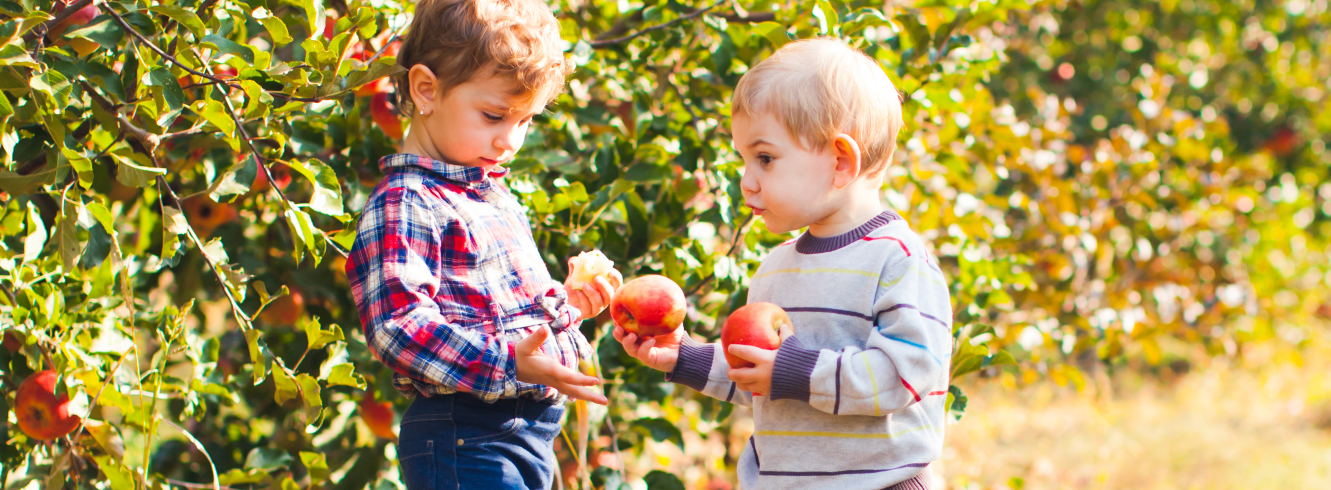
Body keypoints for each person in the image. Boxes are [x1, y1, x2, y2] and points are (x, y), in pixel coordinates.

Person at [619, 38, 954, 490]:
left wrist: (792, 370)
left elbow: (904, 375)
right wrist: (685, 357)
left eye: (764, 158)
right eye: (743, 159)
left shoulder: (896, 259)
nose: (745, 181)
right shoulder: (776, 268)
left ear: (840, 162)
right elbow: (768, 383)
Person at [343, 0, 621, 488]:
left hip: (526, 434)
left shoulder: (491, 194)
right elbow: (397, 326)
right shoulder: (408, 202)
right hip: (463, 434)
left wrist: (571, 306)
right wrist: (509, 361)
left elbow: (505, 318)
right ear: (426, 89)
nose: (509, 141)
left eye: (525, 120)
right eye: (494, 116)